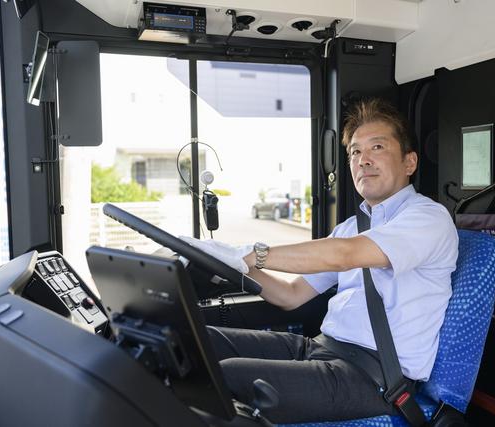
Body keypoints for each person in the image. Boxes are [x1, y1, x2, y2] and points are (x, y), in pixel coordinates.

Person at [181, 98, 458, 424]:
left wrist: (253, 253)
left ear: (409, 162)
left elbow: (344, 256)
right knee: (193, 341)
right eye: (355, 152)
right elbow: (291, 294)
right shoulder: (350, 227)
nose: (363, 160)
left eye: (377, 147)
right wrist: (235, 265)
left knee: (227, 376)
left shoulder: (428, 218)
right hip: (319, 349)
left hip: (373, 376)